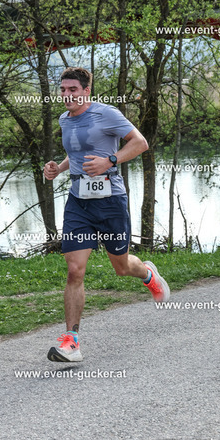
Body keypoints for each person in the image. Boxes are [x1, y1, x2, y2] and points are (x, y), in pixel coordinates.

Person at [43, 67, 170, 363]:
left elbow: (140, 143)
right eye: (63, 90)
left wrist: (110, 160)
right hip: (79, 202)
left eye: (73, 90)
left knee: (121, 266)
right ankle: (71, 343)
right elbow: (76, 154)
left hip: (111, 200)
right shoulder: (64, 119)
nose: (67, 95)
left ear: (86, 91)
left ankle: (148, 274)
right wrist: (58, 168)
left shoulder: (106, 113)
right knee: (75, 270)